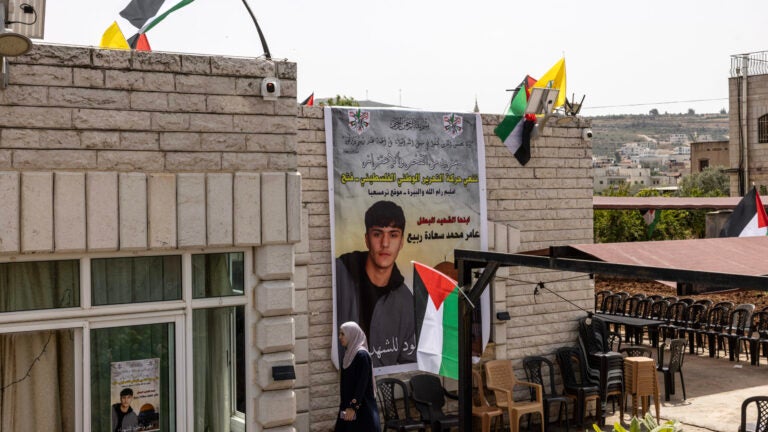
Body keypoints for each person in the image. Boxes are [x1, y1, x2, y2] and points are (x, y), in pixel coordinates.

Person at [335, 200, 416, 367]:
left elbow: (408, 363)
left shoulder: (406, 302)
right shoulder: (340, 273)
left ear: (401, 242)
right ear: (367, 239)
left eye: (393, 235)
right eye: (378, 234)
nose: (385, 243)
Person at [334, 321, 381, 432]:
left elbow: (362, 384)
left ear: (352, 334)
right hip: (347, 407)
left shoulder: (362, 355)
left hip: (362, 408)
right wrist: (345, 406)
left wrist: (353, 406)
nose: (340, 337)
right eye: (340, 334)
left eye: (343, 334)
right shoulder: (347, 356)